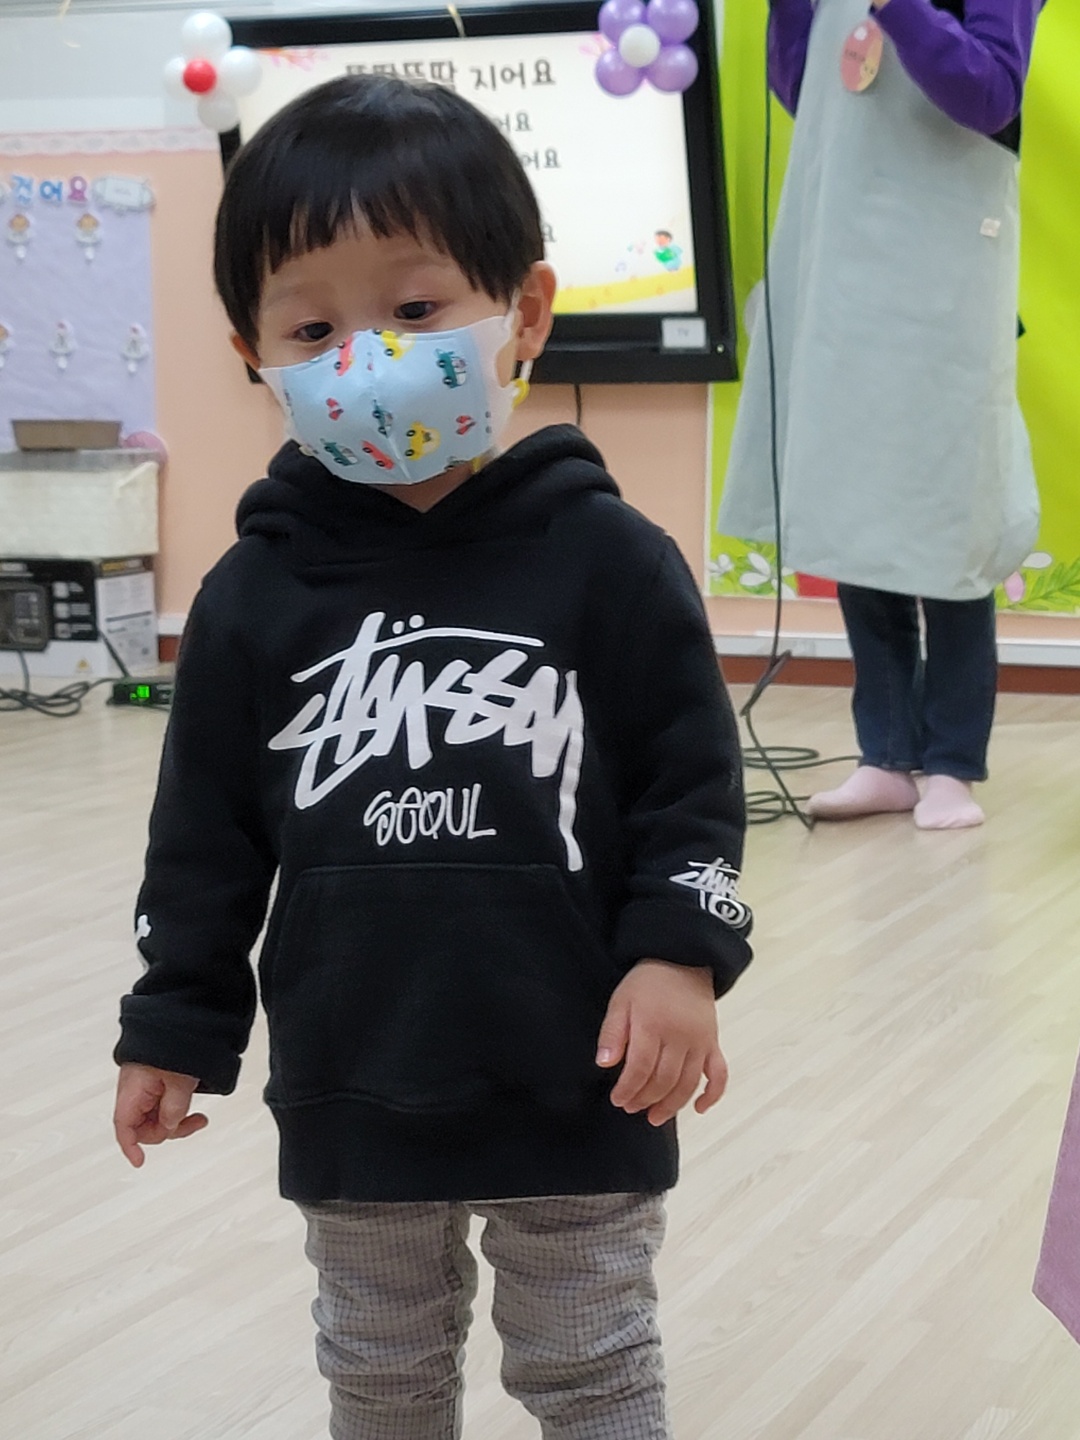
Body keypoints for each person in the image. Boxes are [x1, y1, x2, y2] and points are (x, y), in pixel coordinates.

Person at [111, 74, 753, 1440]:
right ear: (253, 354)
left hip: (582, 1066)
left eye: (414, 310)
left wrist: (680, 954)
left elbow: (692, 789)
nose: (367, 356)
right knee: (382, 1375)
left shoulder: (611, 562)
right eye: (313, 327)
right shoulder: (252, 597)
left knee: (592, 1369)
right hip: (355, 1072)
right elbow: (204, 840)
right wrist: (173, 1025)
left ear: (523, 312)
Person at [720, 0, 1045, 829]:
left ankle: (952, 764)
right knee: (854, 498)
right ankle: (886, 754)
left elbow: (990, 95)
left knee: (949, 515)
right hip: (843, 263)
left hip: (942, 272)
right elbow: (808, 90)